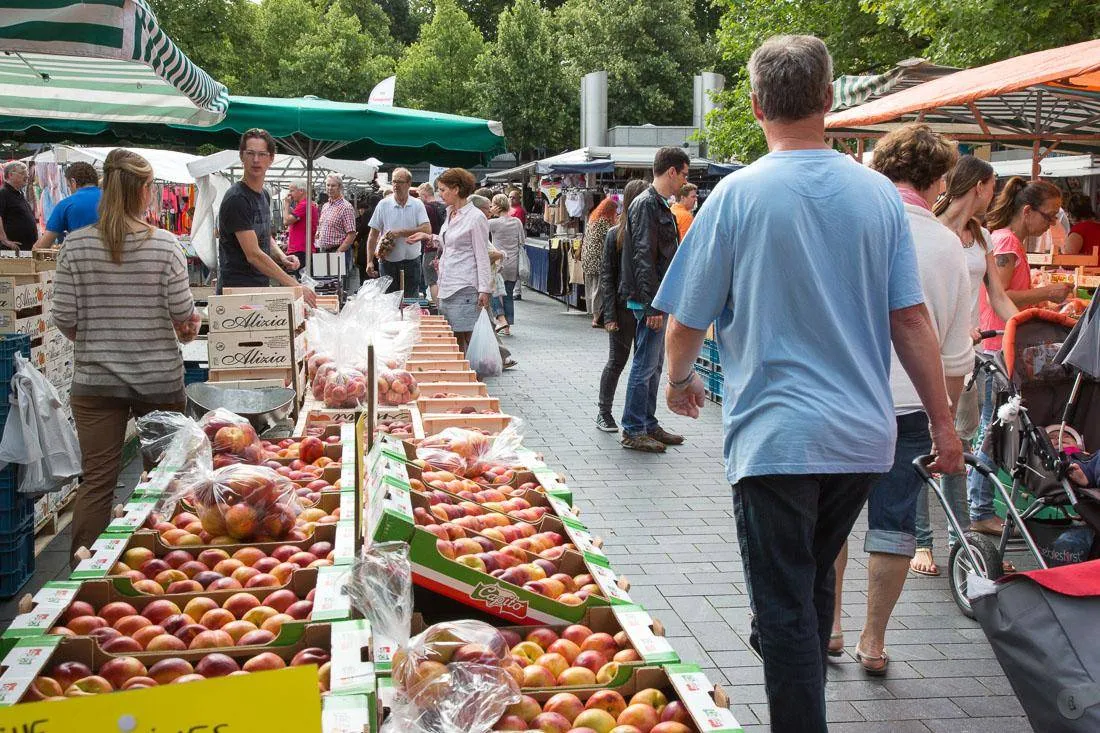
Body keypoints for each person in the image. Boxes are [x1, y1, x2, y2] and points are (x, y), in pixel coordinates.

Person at [653, 35, 963, 732]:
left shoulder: (735, 196)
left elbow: (684, 321)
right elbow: (910, 320)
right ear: (828, 100)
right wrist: (945, 425)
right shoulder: (879, 197)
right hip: (861, 439)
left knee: (789, 604)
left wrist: (678, 382)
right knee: (807, 581)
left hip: (776, 439)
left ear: (758, 104)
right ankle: (784, 632)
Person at [827, 124, 972, 676]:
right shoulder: (946, 245)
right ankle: (874, 639)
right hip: (912, 405)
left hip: (846, 396)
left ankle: (832, 624)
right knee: (893, 525)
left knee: (834, 519)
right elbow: (955, 356)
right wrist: (947, 423)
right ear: (938, 181)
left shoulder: (848, 226)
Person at [52, 149, 201, 563]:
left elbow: (65, 318)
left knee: (97, 481)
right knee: (164, 478)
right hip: (159, 380)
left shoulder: (75, 246)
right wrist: (191, 324)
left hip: (96, 383)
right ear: (146, 191)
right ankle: (162, 564)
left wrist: (102, 336)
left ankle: (85, 585)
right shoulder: (166, 246)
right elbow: (183, 319)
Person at [909, 155, 1019, 576]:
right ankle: (922, 541)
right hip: (927, 350)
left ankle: (962, 543)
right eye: (993, 186)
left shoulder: (983, 238)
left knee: (955, 444)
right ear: (980, 186)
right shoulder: (928, 229)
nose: (995, 194)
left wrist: (1023, 325)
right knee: (925, 443)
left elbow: (998, 296)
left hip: (966, 356)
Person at [969, 177, 1071, 534]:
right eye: (1049, 216)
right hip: (1000, 346)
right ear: (1028, 211)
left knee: (993, 427)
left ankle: (980, 506)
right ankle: (980, 509)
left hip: (1001, 343)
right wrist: (1047, 293)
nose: (1051, 224)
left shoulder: (1004, 240)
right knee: (992, 429)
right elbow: (1001, 295)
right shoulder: (1008, 243)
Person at [618, 146, 691, 453]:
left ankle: (646, 423)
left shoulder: (656, 204)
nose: (685, 181)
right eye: (684, 174)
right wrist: (652, 305)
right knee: (646, 364)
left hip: (655, 298)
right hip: (650, 299)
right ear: (671, 171)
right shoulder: (648, 204)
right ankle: (634, 427)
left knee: (653, 363)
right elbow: (643, 257)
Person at [217, 129, 315, 306]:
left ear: (271, 159)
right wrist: (294, 285)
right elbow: (253, 255)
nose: (256, 160)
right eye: (250, 153)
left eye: (262, 154)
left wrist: (281, 256)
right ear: (241, 156)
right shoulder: (237, 199)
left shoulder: (264, 195)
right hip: (236, 293)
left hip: (259, 288)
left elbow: (264, 236)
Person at [407, 169, 491, 351]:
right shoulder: (451, 213)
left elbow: (482, 255)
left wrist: (484, 289)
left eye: (443, 190)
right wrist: (428, 237)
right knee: (454, 337)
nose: (440, 194)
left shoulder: (475, 218)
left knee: (469, 337)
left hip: (465, 286)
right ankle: (464, 375)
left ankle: (475, 374)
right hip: (447, 285)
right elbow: (450, 242)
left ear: (456, 189)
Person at [596, 179, 648, 433]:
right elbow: (608, 276)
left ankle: (640, 416)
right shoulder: (614, 235)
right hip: (622, 308)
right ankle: (604, 412)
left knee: (644, 364)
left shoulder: (647, 233)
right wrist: (609, 315)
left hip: (643, 309)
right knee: (618, 361)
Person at [367, 168, 430, 298]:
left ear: (408, 184)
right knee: (388, 301)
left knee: (410, 301)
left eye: (400, 182)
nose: (395, 185)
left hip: (412, 262)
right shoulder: (383, 204)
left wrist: (401, 232)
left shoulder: (417, 204)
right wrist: (369, 261)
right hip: (388, 262)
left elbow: (427, 229)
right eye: (394, 181)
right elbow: (373, 235)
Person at [32, 162, 101, 250]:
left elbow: (42, 246)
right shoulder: (114, 200)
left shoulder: (66, 204)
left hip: (81, 258)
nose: (70, 191)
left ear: (73, 182)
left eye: (68, 186)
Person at [488, 193, 524, 335]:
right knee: (508, 294)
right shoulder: (517, 222)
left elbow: (480, 226)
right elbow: (522, 240)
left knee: (494, 292)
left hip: (498, 263)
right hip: (513, 263)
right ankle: (507, 326)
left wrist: (490, 213)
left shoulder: (494, 223)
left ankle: (501, 319)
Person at [581, 197, 618, 328]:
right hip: (597, 258)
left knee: (590, 287)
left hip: (587, 257)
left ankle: (592, 313)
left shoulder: (593, 219)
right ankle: (597, 317)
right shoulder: (604, 221)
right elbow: (612, 236)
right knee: (598, 289)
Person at [316, 174, 358, 290]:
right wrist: (318, 235)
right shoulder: (325, 206)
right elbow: (322, 225)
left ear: (340, 187)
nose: (330, 188)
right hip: (323, 252)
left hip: (338, 252)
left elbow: (351, 234)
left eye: (333, 185)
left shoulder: (346, 207)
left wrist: (338, 252)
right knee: (323, 287)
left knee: (338, 288)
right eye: (328, 185)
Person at [282, 180, 318, 277]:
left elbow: (286, 221)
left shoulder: (304, 205)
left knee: (298, 280)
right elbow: (295, 216)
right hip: (302, 248)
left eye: (292, 191)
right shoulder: (305, 205)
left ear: (301, 191)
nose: (290, 194)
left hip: (300, 250)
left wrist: (286, 204)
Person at [418, 182, 446, 303]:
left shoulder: (426, 208)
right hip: (444, 247)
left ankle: (438, 307)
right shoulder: (444, 206)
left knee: (432, 281)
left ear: (424, 194)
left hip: (430, 247)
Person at [0, 162, 38, 250]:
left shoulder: (19, 193)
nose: (27, 176)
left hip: (24, 248)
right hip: (12, 249)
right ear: (10, 175)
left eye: (27, 173)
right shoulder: (3, 193)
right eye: (22, 173)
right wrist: (4, 240)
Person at [1063, 193, 1100, 257]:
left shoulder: (1078, 230)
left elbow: (1068, 260)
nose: (1068, 216)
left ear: (1072, 213)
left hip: (1086, 266)